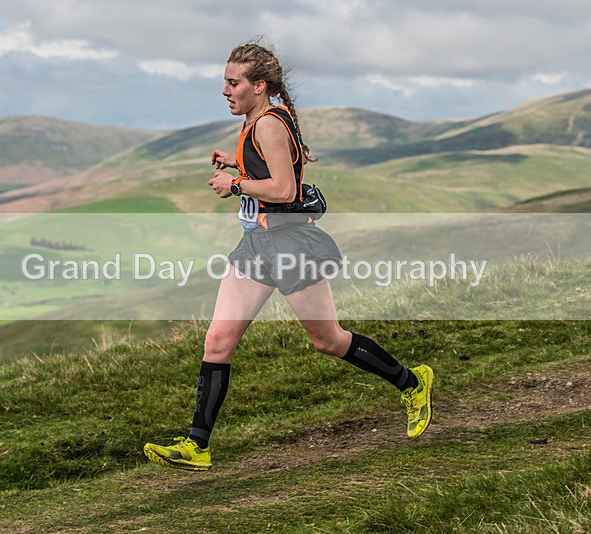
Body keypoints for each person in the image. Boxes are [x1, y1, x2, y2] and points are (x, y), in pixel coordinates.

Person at [143, 41, 434, 471]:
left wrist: (235, 185)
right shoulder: (254, 121)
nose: (225, 90)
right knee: (218, 341)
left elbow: (285, 191)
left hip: (292, 244)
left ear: (259, 86)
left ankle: (412, 384)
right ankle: (197, 445)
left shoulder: (269, 125)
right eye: (224, 81)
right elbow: (270, 175)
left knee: (327, 339)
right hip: (256, 246)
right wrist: (237, 164)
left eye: (233, 82)